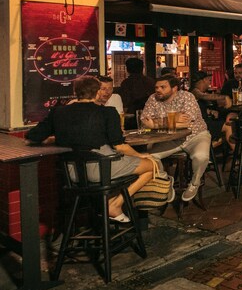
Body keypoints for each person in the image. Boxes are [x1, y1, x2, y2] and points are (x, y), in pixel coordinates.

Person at [26, 76, 166, 222]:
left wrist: (56, 138)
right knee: (153, 165)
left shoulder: (58, 112)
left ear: (75, 91)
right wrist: (141, 156)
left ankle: (109, 202)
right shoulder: (108, 112)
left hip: (72, 174)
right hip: (101, 170)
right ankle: (115, 205)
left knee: (126, 170)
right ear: (98, 92)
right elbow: (120, 146)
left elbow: (33, 136)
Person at [141, 75, 212, 202]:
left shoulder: (186, 96)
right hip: (169, 139)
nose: (158, 90)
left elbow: (185, 123)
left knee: (201, 157)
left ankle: (194, 183)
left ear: (174, 89)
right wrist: (175, 119)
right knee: (149, 157)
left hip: (195, 136)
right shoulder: (153, 98)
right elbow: (145, 121)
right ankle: (165, 180)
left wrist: (157, 123)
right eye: (156, 87)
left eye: (163, 87)